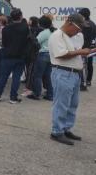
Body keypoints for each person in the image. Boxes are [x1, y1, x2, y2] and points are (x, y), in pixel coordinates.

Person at [48, 14, 94, 145]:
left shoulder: (76, 36)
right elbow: (62, 55)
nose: (79, 31)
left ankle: (66, 128)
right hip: (62, 72)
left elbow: (77, 52)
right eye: (78, 28)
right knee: (61, 104)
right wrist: (81, 52)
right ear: (69, 23)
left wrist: (90, 51)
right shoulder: (57, 36)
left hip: (74, 74)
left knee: (72, 104)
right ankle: (56, 131)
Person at [0, 9, 29, 104]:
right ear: (21, 16)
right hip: (21, 56)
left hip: (8, 55)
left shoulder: (6, 29)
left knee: (3, 77)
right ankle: (13, 97)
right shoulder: (25, 27)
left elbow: (4, 43)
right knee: (16, 78)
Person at [27, 15, 55, 101]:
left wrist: (31, 37)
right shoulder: (53, 32)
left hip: (43, 55)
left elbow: (36, 42)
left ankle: (36, 94)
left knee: (37, 76)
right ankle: (50, 94)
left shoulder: (44, 33)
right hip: (50, 55)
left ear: (41, 24)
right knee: (48, 76)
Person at [79, 8, 96, 89]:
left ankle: (84, 83)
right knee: (89, 64)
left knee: (84, 65)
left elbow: (83, 37)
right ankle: (88, 81)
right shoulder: (92, 23)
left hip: (85, 48)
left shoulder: (84, 24)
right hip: (91, 47)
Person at [25, 17, 43, 91]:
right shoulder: (41, 30)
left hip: (31, 52)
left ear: (32, 21)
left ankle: (29, 87)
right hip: (37, 52)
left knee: (30, 70)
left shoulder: (30, 30)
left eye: (30, 20)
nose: (28, 21)